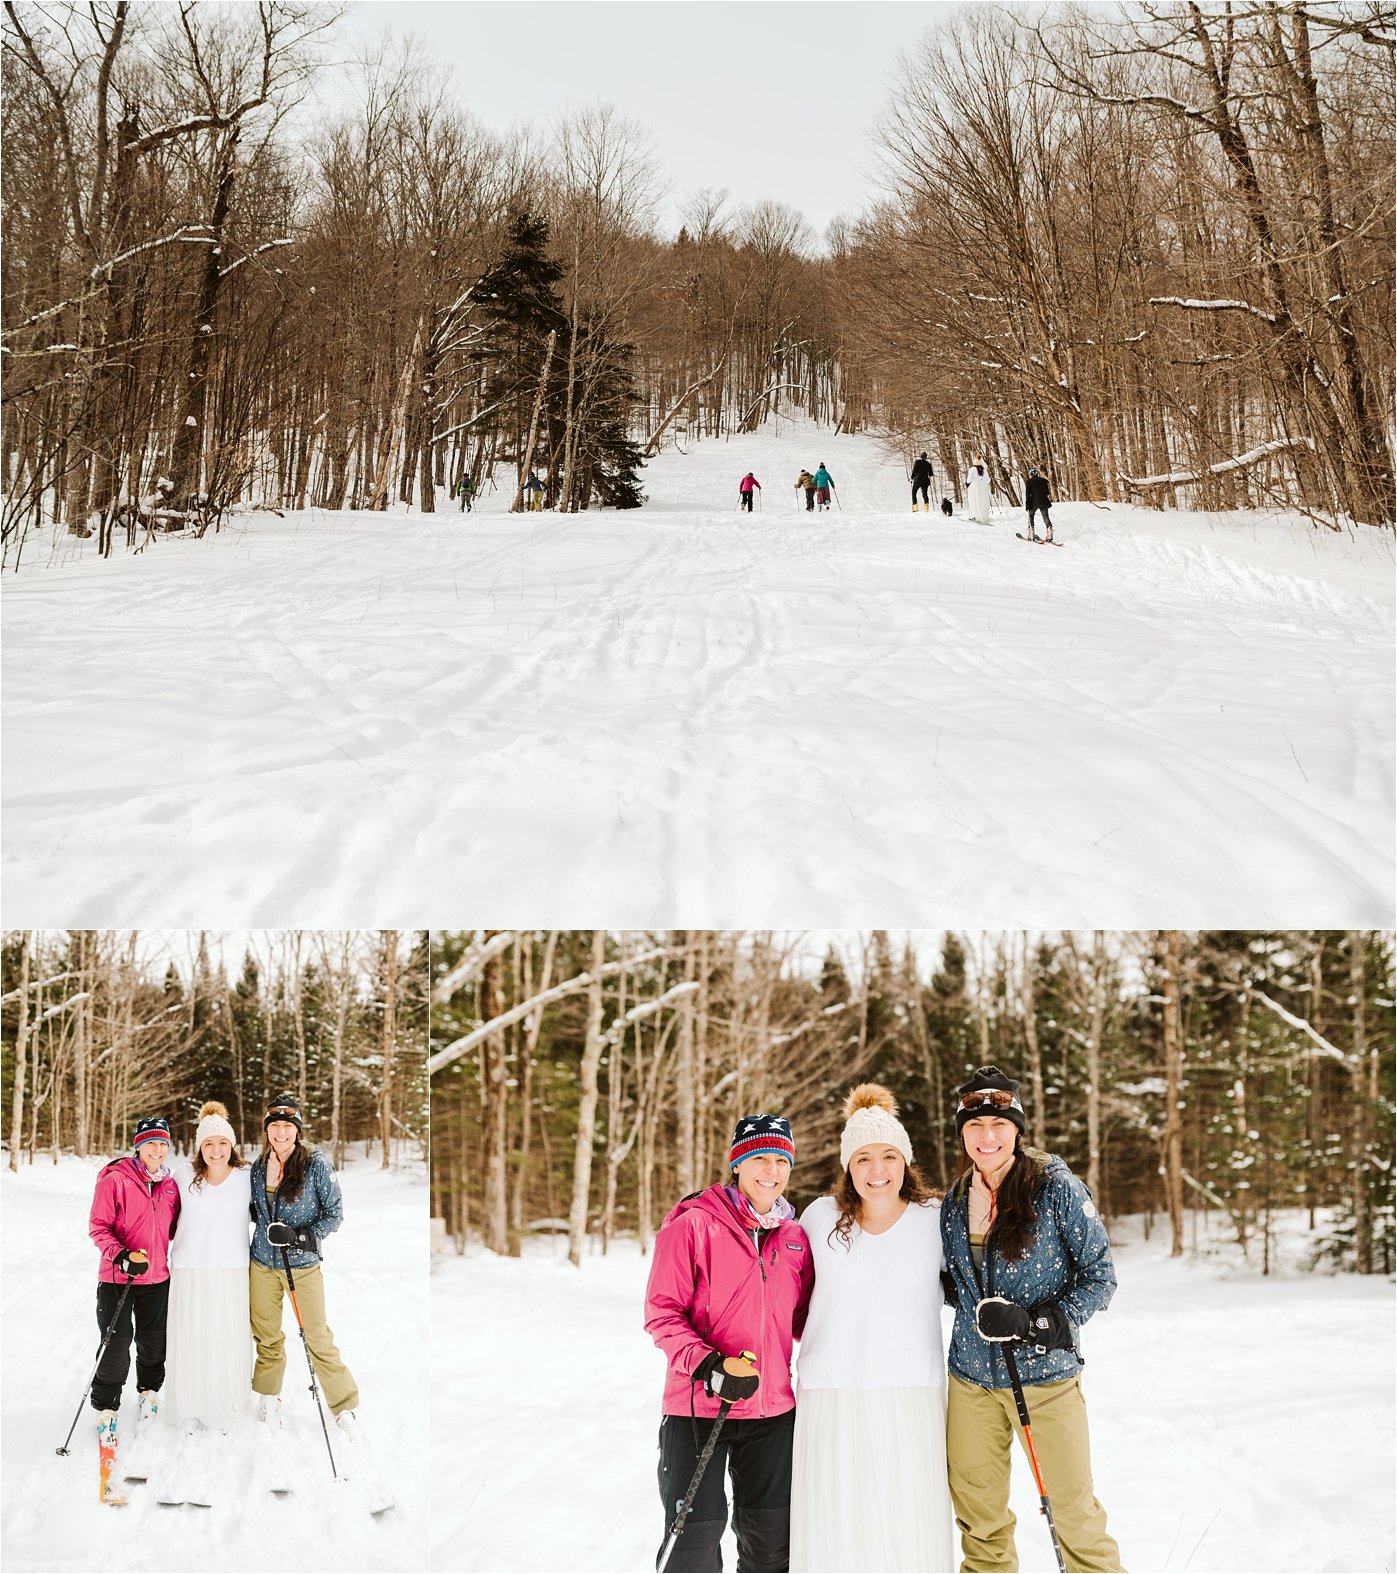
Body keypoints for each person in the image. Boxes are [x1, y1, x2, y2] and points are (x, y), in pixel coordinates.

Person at [941, 1067, 1123, 1573]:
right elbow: (955, 1283)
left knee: (1073, 1514)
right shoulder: (955, 1202)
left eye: (999, 1124)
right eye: (975, 1126)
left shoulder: (1055, 1189)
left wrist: (1037, 1322)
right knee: (979, 1521)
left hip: (1046, 1380)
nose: (988, 1136)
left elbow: (1100, 1277)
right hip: (972, 1383)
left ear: (1017, 1129)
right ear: (962, 1135)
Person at [790, 1085, 954, 1573]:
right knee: (834, 1525)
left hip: (911, 1389)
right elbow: (788, 1296)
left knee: (908, 1526)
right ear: (847, 1167)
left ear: (905, 1161)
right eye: (863, 1158)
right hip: (830, 1390)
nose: (877, 1170)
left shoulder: (936, 1218)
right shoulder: (818, 1218)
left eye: (888, 1156)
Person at [644, 1113, 814, 1573]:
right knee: (694, 1545)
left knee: (771, 1546)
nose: (772, 1171)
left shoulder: (795, 1238)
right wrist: (711, 1368)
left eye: (782, 1160)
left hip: (772, 1412)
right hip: (699, 1409)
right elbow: (662, 1313)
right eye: (760, 1158)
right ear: (737, 1164)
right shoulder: (694, 1225)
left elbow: (808, 1320)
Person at [249, 1093, 360, 1437]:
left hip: (302, 1265)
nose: (280, 1133)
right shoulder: (257, 1166)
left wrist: (299, 1237)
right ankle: (269, 1395)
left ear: (297, 1129)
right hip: (262, 1264)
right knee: (266, 1336)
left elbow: (334, 1215)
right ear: (267, 1129)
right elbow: (255, 1208)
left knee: (316, 1336)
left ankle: (343, 1406)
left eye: (287, 1126)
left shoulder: (315, 1163)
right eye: (274, 1126)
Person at [87, 1116, 182, 1501]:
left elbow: (173, 1228)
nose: (158, 1151)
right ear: (138, 1145)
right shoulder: (115, 1179)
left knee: (153, 1340)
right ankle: (107, 1407)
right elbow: (98, 1227)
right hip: (118, 1277)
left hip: (157, 1277)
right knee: (116, 1341)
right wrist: (122, 1255)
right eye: (151, 1144)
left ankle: (149, 1393)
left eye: (163, 1144)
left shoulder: (172, 1185)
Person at [163, 1100, 253, 1430]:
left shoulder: (247, 1175)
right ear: (201, 1147)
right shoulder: (183, 1174)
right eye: (209, 1144)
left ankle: (225, 1405)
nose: (216, 1150)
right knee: (192, 1339)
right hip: (190, 1267)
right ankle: (190, 1408)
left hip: (231, 1269)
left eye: (223, 1143)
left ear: (232, 1145)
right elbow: (162, 1215)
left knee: (226, 1339)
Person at [1024, 466, 1053, 542]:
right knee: (1045, 517)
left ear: (1031, 474)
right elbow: (1047, 493)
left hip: (1034, 502)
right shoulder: (1044, 481)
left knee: (1031, 515)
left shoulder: (1029, 482)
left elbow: (1027, 495)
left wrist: (1027, 505)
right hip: (1044, 501)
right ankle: (1049, 531)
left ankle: (1031, 533)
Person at [965, 459, 992, 524]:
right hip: (983, 487)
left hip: (974, 487)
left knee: (974, 501)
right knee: (983, 501)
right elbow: (988, 480)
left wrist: (967, 483)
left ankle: (974, 516)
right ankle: (984, 517)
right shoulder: (984, 470)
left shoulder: (972, 469)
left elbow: (969, 480)